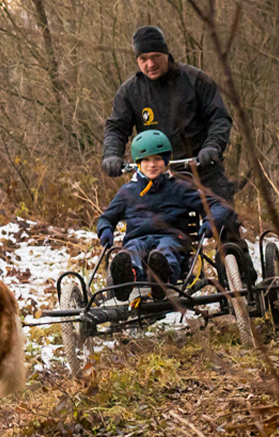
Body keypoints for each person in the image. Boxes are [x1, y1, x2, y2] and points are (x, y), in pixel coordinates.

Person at [101, 25, 235, 203]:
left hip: (202, 170)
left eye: (156, 56)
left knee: (224, 219)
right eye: (143, 59)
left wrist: (212, 147)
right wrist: (112, 155)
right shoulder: (130, 91)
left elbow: (219, 118)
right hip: (155, 175)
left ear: (166, 54)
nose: (150, 64)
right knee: (145, 224)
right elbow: (116, 128)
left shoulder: (197, 81)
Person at [95, 130, 236, 297]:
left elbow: (218, 204)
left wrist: (211, 222)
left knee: (164, 251)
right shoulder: (127, 192)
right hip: (137, 239)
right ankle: (129, 279)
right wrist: (105, 229)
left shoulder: (180, 188)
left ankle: (162, 279)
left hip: (172, 238)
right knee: (132, 250)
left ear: (166, 160)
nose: (152, 165)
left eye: (157, 159)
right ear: (138, 163)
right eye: (146, 160)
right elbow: (106, 218)